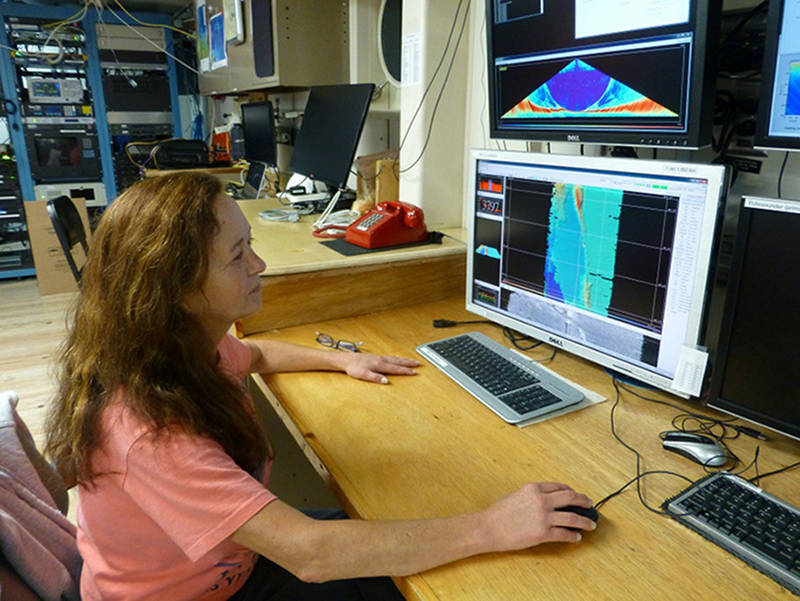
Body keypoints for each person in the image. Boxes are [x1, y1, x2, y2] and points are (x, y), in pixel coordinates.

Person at [44, 173, 596, 601]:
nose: (259, 264)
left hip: (236, 566)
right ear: (176, 290)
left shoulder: (182, 349)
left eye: (250, 244)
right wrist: (491, 526)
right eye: (238, 256)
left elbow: (254, 354)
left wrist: (339, 361)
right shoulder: (148, 430)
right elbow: (311, 555)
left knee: (407, 537)